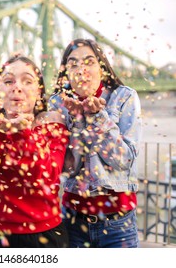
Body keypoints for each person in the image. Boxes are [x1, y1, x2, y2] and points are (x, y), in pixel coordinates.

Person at [0, 55, 69, 248]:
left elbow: (48, 176)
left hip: (46, 236)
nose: (17, 87)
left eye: (27, 81)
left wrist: (23, 132)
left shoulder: (52, 124)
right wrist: (2, 133)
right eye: (8, 81)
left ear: (39, 92)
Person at [48, 38, 142, 248]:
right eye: (73, 64)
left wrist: (97, 116)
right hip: (72, 222)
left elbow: (123, 160)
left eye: (89, 62)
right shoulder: (57, 103)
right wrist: (78, 120)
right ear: (66, 73)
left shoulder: (124, 97)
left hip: (118, 226)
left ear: (102, 68)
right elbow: (67, 168)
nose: (81, 70)